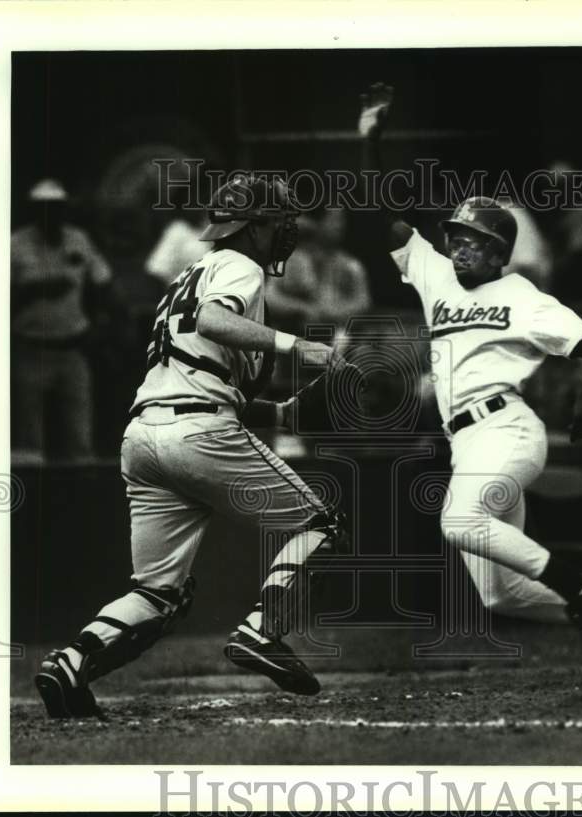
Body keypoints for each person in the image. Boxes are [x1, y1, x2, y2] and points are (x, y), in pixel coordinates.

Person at [359, 83, 582, 674]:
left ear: (500, 250)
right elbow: (392, 221)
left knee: (459, 521)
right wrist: (370, 144)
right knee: (500, 595)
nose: (458, 247)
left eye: (473, 241)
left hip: (506, 429)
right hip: (466, 443)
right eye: (455, 236)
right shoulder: (435, 277)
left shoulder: (521, 295)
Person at [34, 175, 353, 718]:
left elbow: (196, 364)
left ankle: (69, 664)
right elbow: (212, 320)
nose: (283, 231)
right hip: (197, 432)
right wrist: (300, 346)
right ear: (251, 226)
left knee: (158, 592)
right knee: (319, 523)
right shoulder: (238, 266)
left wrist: (279, 411)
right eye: (276, 221)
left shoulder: (188, 275)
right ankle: (262, 632)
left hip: (143, 437)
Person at [11, 179, 113, 461]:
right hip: (31, 349)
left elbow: (102, 280)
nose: (51, 215)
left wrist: (102, 321)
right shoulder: (16, 245)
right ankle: (33, 499)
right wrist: (36, 289)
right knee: (30, 440)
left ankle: (83, 497)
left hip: (72, 349)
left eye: (56, 209)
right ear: (35, 211)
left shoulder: (77, 239)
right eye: (45, 209)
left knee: (80, 437)